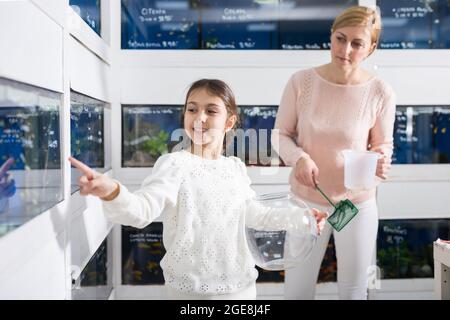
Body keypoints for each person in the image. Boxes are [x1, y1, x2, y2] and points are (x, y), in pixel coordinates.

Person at [70, 79, 327, 300]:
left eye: (211, 110)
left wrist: (301, 217)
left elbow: (256, 215)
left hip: (242, 291)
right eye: (192, 109)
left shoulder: (235, 168)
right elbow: (142, 210)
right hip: (189, 294)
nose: (199, 118)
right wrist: (111, 190)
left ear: (229, 122)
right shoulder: (175, 164)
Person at [272, 6, 396, 300]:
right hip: (304, 204)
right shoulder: (301, 82)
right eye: (340, 39)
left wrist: (380, 161)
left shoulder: (381, 92)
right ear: (331, 35)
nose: (345, 50)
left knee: (354, 291)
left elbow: (383, 145)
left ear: (371, 48)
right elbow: (280, 135)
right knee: (297, 290)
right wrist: (299, 158)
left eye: (357, 43)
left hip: (355, 205)